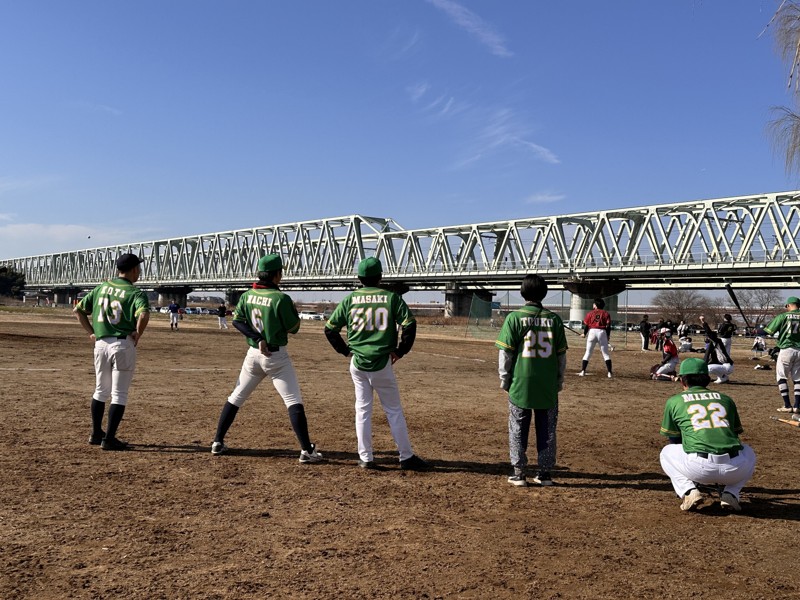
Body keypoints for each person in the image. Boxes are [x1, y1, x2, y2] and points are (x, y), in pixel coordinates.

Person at [210, 254, 323, 463]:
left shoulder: (247, 294)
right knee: (293, 401)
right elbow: (294, 328)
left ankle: (217, 441)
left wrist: (256, 337)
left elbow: (238, 322)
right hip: (275, 355)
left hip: (253, 354)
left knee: (236, 397)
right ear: (275, 274)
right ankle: (307, 450)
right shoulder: (280, 298)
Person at [324, 257, 430, 471]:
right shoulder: (391, 298)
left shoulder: (350, 299)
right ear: (380, 277)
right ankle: (406, 456)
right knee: (393, 410)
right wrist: (400, 351)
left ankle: (366, 458)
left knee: (362, 410)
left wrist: (346, 351)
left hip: (358, 362)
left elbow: (330, 329)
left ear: (360, 278)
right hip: (382, 362)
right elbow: (409, 324)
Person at [73, 253, 151, 451]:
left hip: (100, 344)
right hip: (122, 344)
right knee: (119, 394)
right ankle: (109, 438)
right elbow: (143, 314)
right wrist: (138, 334)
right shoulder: (135, 293)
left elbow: (78, 311)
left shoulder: (101, 287)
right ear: (134, 269)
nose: (139, 272)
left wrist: (91, 333)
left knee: (100, 390)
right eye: (138, 268)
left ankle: (96, 433)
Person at [495, 274, 568, 487]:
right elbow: (561, 356)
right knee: (547, 429)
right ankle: (544, 473)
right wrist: (559, 380)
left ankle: (519, 473)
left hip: (520, 383)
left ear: (522, 292)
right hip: (547, 385)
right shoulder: (554, 320)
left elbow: (505, 355)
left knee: (518, 427)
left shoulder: (514, 318)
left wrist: (504, 378)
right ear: (544, 293)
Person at [659, 357, 756, 512]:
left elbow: (674, 440)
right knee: (748, 451)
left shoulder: (675, 401)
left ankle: (689, 491)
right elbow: (734, 434)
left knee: (666, 453)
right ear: (708, 380)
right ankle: (731, 492)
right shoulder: (726, 399)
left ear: (683, 381)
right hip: (735, 469)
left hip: (698, 467)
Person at [762, 296, 800, 414]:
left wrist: (756, 330)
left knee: (781, 377)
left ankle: (787, 405)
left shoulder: (783, 316)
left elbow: (768, 331)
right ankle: (797, 405)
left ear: (788, 305)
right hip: (799, 350)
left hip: (786, 349)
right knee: (798, 379)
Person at [578, 298, 612, 378]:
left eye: (594, 304)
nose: (593, 305)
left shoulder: (590, 313)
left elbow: (587, 325)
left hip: (592, 332)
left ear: (596, 305)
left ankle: (583, 371)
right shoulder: (606, 313)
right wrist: (608, 335)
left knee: (588, 352)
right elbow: (608, 326)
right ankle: (609, 373)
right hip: (602, 332)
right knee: (605, 354)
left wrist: (584, 334)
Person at [699, 315, 734, 384]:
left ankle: (723, 376)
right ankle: (722, 378)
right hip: (726, 365)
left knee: (707, 368)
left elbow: (709, 333)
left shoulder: (717, 342)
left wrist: (703, 322)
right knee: (713, 364)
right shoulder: (715, 346)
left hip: (727, 366)